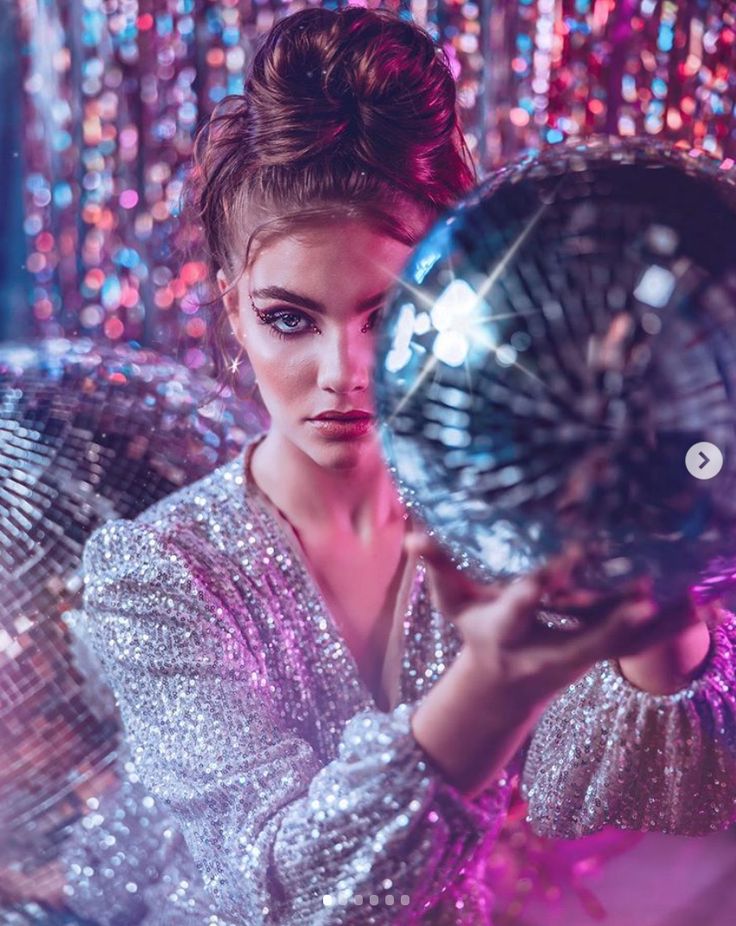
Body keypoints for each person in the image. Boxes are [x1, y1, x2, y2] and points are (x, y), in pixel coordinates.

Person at [69, 7, 736, 925]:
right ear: (231, 309)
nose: (345, 376)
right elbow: (286, 901)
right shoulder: (157, 576)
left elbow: (635, 798)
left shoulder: (515, 515)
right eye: (289, 318)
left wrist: (660, 620)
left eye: (387, 317)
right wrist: (488, 692)